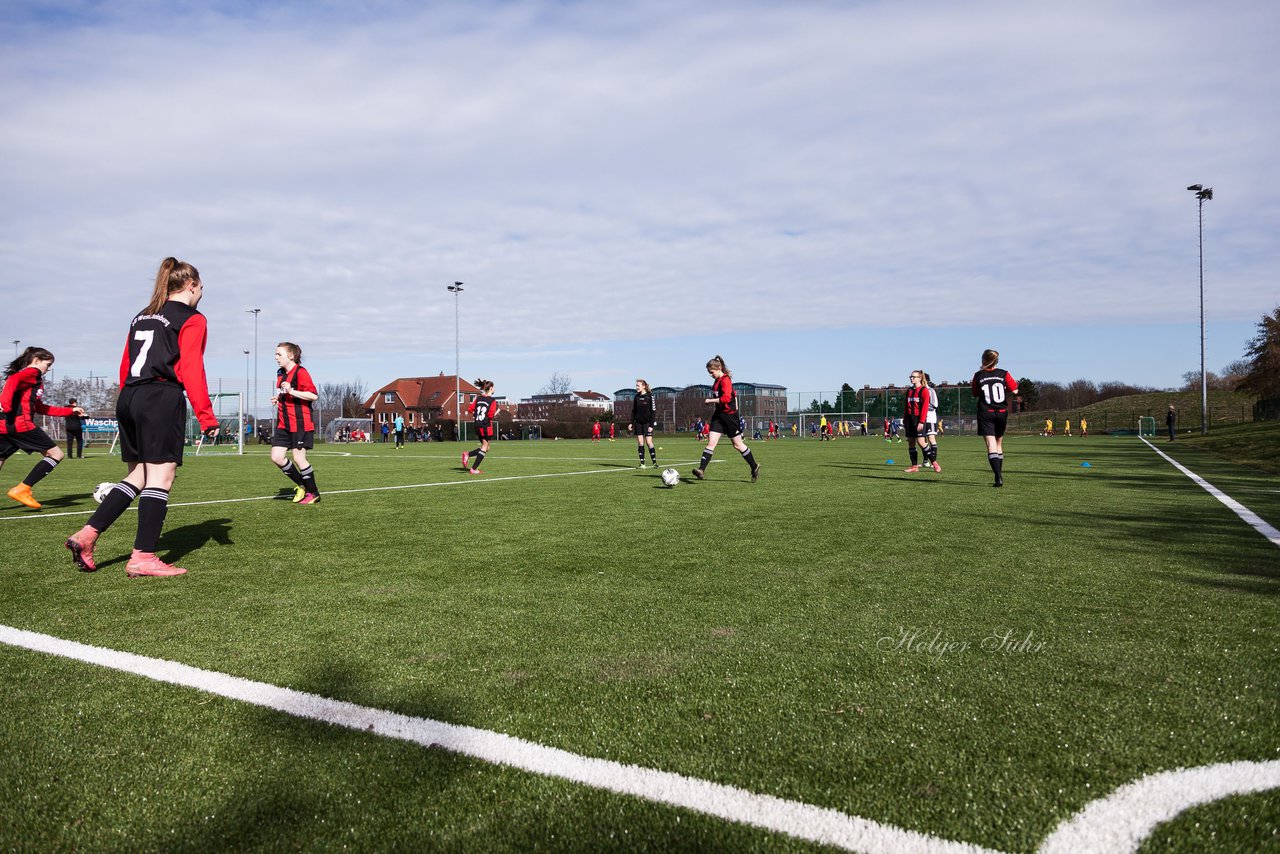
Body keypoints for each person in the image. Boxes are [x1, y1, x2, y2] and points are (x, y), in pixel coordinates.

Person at [64, 258, 218, 576]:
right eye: (201, 286)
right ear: (191, 285)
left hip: (130, 396)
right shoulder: (193, 318)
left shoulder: (142, 316)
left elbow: (126, 363)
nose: (202, 292)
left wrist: (130, 400)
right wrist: (207, 417)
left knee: (138, 477)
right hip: (160, 397)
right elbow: (191, 368)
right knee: (161, 478)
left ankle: (87, 535)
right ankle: (143, 557)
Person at [2, 347, 85, 509]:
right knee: (56, 454)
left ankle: (23, 489)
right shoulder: (33, 372)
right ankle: (23, 489)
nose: (48, 369)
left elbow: (41, 408)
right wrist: (4, 404)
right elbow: (12, 381)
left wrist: (69, 410)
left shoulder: (32, 380)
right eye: (48, 365)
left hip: (5, 425)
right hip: (21, 424)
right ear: (36, 360)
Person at [691, 355, 760, 482]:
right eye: (709, 373)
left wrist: (711, 400)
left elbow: (726, 399)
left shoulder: (726, 380)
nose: (710, 375)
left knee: (738, 445)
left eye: (711, 372)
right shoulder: (716, 382)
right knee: (711, 442)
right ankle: (701, 470)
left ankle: (754, 466)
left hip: (730, 417)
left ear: (719, 368)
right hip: (719, 416)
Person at [270, 342, 321, 505]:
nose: (276, 357)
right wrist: (278, 398)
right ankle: (301, 485)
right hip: (283, 423)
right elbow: (285, 394)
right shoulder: (280, 373)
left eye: (279, 354)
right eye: (276, 354)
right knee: (276, 457)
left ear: (291, 356)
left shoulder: (301, 372)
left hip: (300, 423)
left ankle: (313, 493)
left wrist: (292, 391)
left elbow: (313, 396)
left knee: (299, 459)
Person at [971, 348, 1020, 488]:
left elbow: (975, 393)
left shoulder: (978, 375)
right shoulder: (1004, 373)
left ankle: (998, 477)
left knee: (990, 444)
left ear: (983, 360)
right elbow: (1015, 390)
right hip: (1002, 411)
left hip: (986, 412)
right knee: (998, 443)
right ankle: (999, 474)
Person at [462, 379, 498, 474]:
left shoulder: (478, 398)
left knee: (487, 447)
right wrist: (495, 413)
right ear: (490, 388)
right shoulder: (492, 401)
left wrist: (478, 413)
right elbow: (490, 415)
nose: (494, 389)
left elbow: (470, 409)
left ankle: (468, 454)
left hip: (477, 425)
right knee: (485, 446)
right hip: (485, 425)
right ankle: (473, 468)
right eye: (493, 387)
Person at [902, 370, 933, 473]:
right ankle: (914, 466)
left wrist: (921, 421)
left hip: (918, 419)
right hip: (910, 420)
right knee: (911, 443)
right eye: (910, 376)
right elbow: (906, 407)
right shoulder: (909, 390)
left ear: (920, 378)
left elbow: (924, 408)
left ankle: (934, 462)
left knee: (921, 442)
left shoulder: (924, 390)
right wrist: (905, 419)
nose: (911, 378)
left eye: (914, 377)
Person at [631, 379, 659, 468]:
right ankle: (642, 463)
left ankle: (654, 463)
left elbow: (653, 411)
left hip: (647, 423)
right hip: (638, 423)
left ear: (643, 386)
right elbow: (633, 411)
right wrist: (631, 423)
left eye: (638, 386)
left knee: (649, 442)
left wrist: (651, 425)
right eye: (636, 385)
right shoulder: (636, 397)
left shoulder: (650, 397)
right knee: (640, 442)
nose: (636, 387)